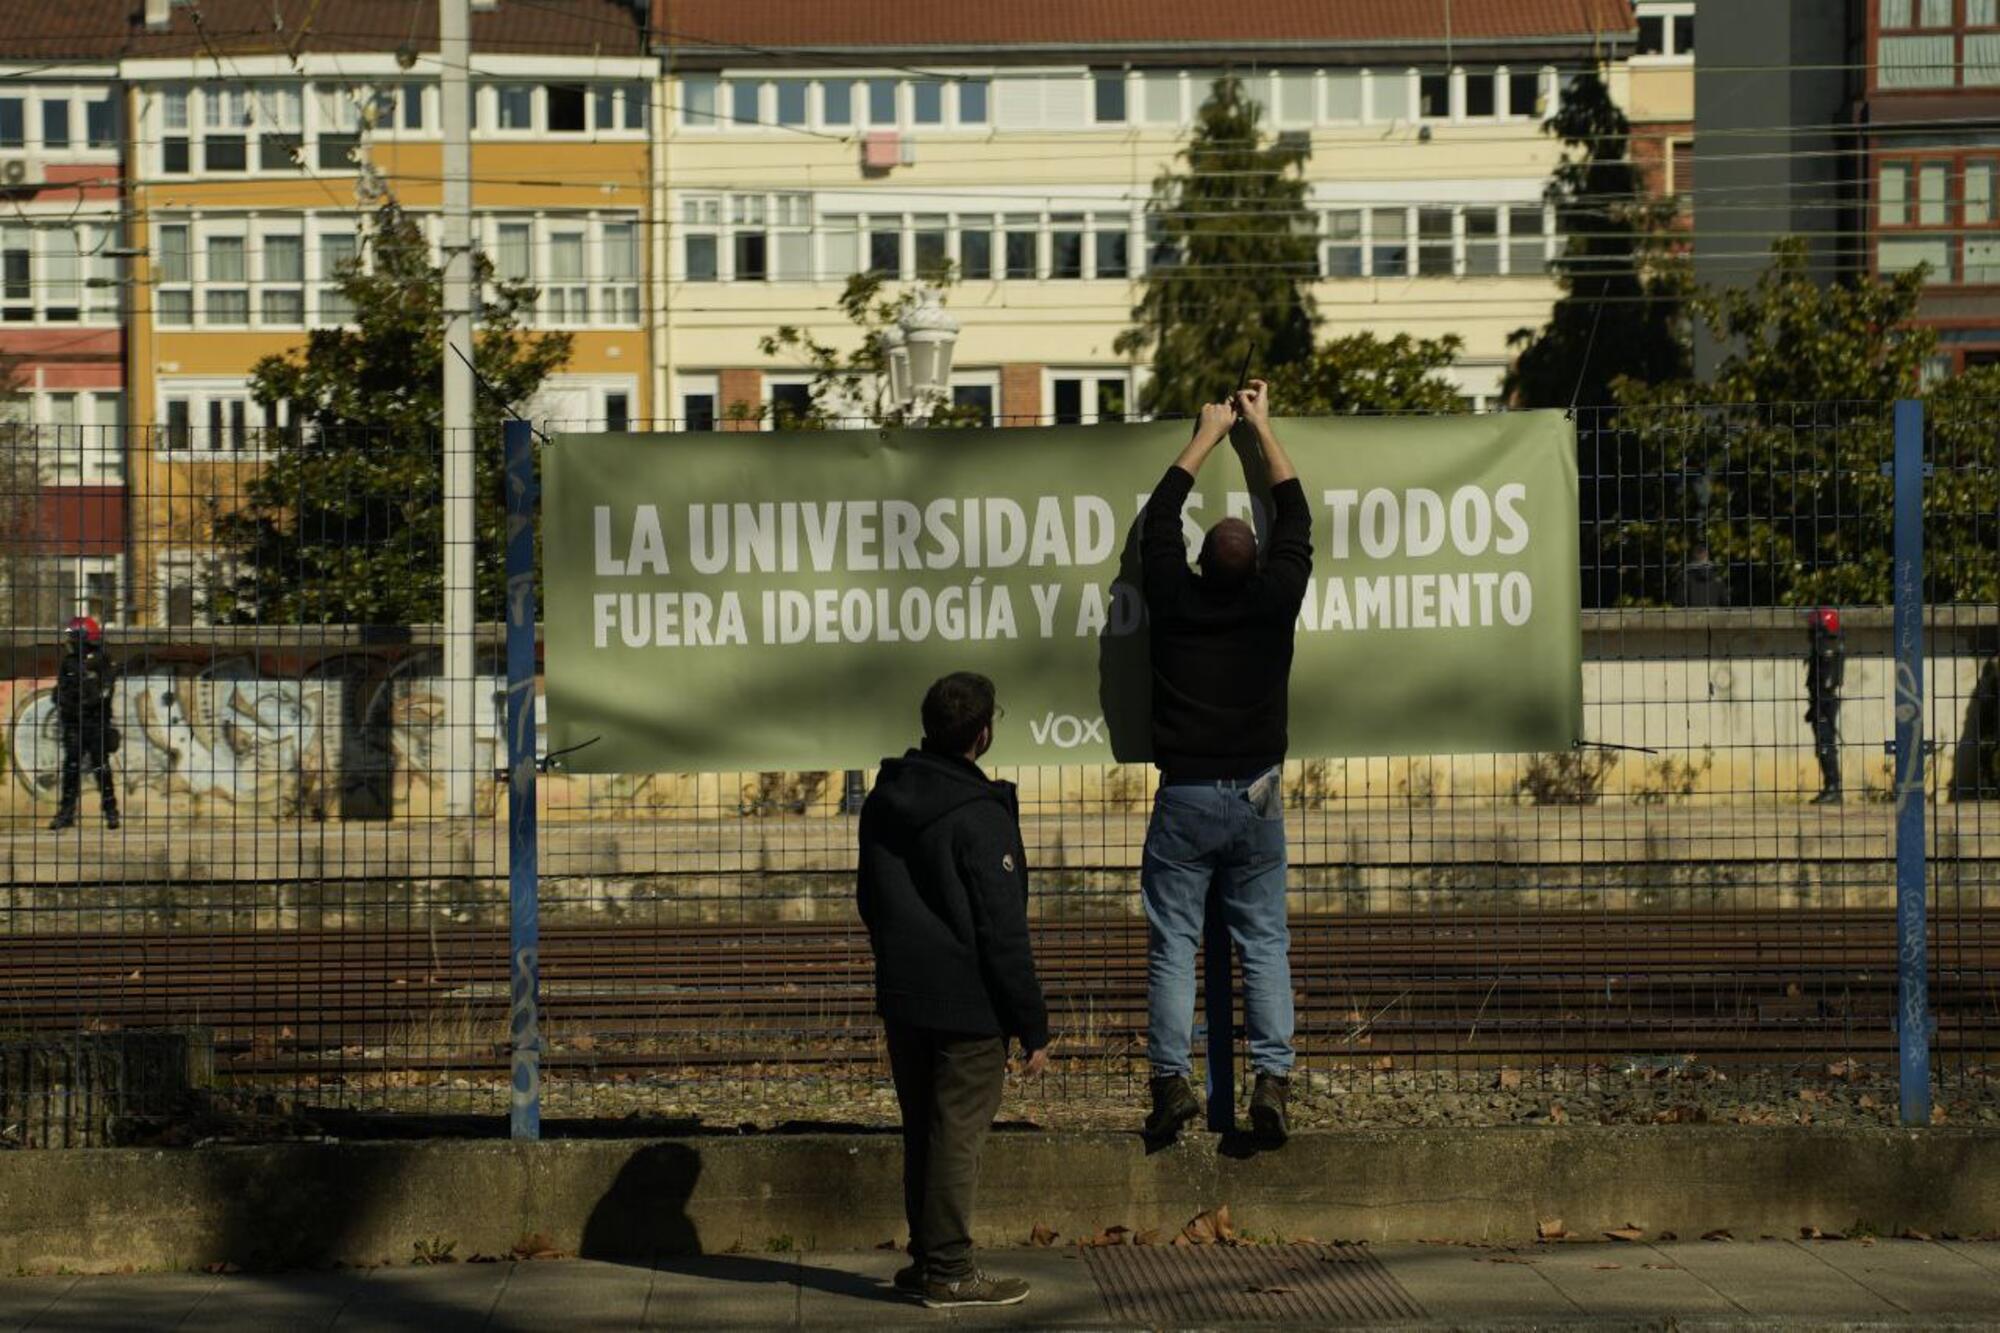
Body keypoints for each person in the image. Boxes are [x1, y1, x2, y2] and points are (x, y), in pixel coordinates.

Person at [1138, 380, 1310, 1147]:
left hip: (1184, 795)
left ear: (1203, 562)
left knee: (1176, 943)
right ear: (1259, 564)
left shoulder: (1175, 600)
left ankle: (1171, 1080)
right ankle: (1271, 1080)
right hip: (1258, 793)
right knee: (1264, 941)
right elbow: (1298, 518)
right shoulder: (1275, 603)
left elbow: (1156, 524)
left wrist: (1206, 434)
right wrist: (1261, 428)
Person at [857, 671, 1049, 1309]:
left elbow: (869, 899)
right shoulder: (980, 815)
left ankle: (927, 1259)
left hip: (906, 996)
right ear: (984, 733)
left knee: (925, 1131)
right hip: (970, 1004)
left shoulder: (886, 799)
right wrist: (1033, 1025)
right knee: (957, 1136)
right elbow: (1003, 931)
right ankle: (950, 1270)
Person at [50, 615, 120, 832]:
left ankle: (111, 811)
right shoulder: (69, 662)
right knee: (71, 767)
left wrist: (91, 700)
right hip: (74, 723)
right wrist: (63, 700)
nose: (70, 641)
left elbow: (107, 688)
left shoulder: (101, 659)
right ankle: (66, 813)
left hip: (96, 722)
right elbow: (60, 688)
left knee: (101, 766)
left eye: (74, 637)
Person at [1806, 607, 1845, 805]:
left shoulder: (1827, 650)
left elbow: (1826, 683)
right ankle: (1831, 787)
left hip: (1824, 702)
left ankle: (1833, 788)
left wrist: (1819, 706)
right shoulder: (1826, 647)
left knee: (1825, 746)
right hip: (1821, 702)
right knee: (1823, 744)